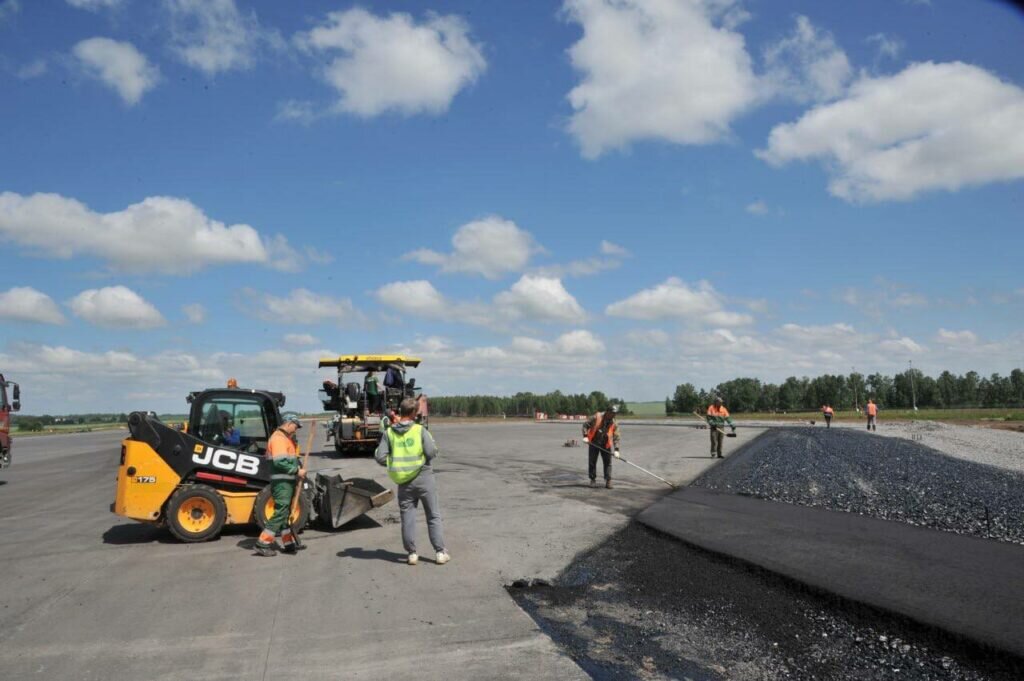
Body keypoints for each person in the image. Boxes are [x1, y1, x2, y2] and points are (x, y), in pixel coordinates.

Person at [376, 398, 449, 566]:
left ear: (400, 412)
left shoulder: (389, 432)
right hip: (424, 478)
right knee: (433, 515)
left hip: (404, 482)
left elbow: (380, 456)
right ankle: (439, 552)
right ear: (414, 413)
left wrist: (395, 463)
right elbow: (431, 453)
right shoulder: (420, 430)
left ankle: (412, 554)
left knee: (407, 517)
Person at [253, 413, 307, 557]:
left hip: (286, 481)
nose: (295, 429)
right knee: (281, 512)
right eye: (295, 426)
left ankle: (288, 543)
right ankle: (262, 543)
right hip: (282, 482)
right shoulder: (278, 439)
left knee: (285, 513)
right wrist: (296, 470)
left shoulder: (284, 438)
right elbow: (280, 462)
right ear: (288, 423)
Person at [583, 405, 620, 489]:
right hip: (594, 443)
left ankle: (608, 481)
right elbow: (585, 425)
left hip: (606, 444)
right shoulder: (596, 417)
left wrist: (617, 450)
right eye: (612, 413)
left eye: (615, 414)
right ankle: (592, 480)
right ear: (607, 412)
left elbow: (616, 437)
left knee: (608, 463)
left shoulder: (614, 422)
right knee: (592, 462)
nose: (614, 415)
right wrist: (585, 436)